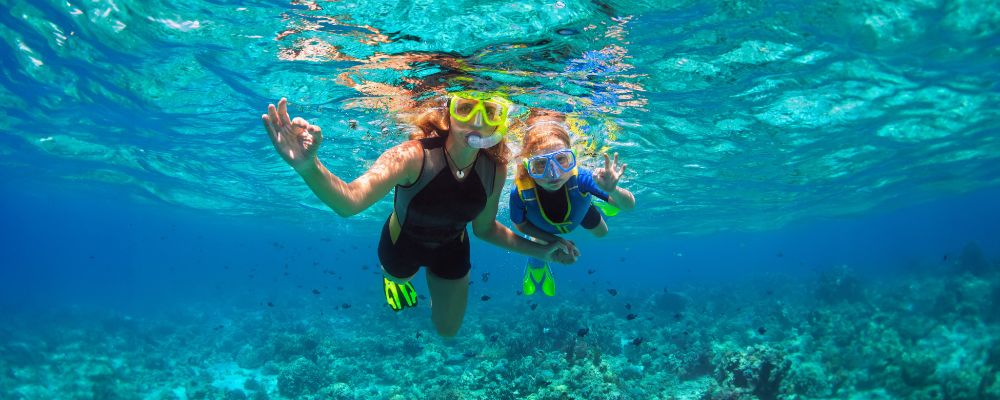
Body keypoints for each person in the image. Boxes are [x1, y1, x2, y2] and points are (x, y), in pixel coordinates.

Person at [261, 91, 578, 337]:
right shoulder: (412, 156)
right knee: (399, 276)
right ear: (449, 114)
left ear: (499, 120)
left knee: (448, 331)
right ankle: (393, 279)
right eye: (466, 108)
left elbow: (485, 230)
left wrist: (544, 250)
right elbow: (350, 202)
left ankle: (415, 285)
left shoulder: (495, 168)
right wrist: (308, 166)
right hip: (402, 244)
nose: (478, 121)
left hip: (453, 248)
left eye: (490, 112)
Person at [510, 111, 635, 297]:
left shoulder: (582, 177)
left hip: (580, 210)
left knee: (603, 233)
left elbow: (629, 206)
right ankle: (537, 267)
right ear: (528, 167)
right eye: (540, 165)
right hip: (542, 227)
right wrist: (555, 241)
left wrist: (612, 191)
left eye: (561, 160)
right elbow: (519, 225)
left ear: (573, 158)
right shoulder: (520, 192)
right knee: (540, 246)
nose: (553, 174)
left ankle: (601, 199)